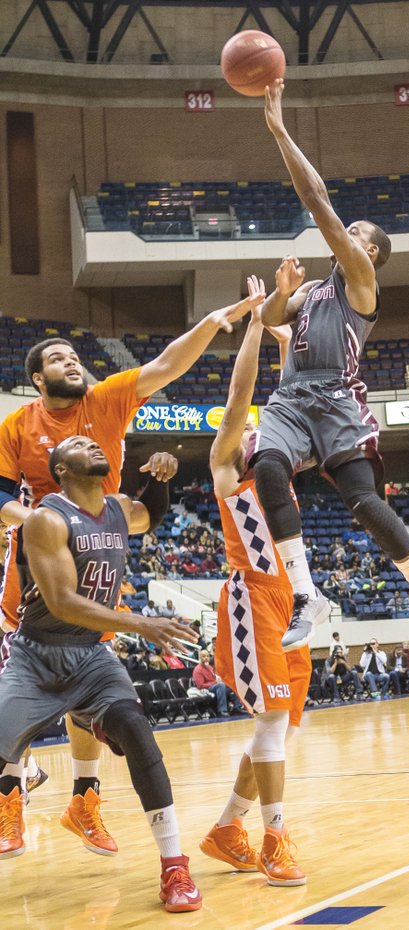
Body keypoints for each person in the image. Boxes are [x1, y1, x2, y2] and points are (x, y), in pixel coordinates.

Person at [0, 290, 260, 850]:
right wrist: (47, 518)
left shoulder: (107, 398)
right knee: (21, 683)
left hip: (100, 547)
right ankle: (11, 799)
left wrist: (212, 324)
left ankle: (84, 797)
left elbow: (167, 364)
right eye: (58, 359)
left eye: (75, 355)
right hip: (37, 558)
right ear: (38, 381)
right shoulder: (18, 424)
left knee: (83, 676)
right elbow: (1, 499)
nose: (72, 362)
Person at [249, 79, 409, 660]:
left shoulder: (361, 285)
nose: (349, 236)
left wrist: (279, 130)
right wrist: (280, 291)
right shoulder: (317, 289)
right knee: (267, 468)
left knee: (365, 506)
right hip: (293, 397)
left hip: (338, 399)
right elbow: (273, 317)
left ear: (369, 254)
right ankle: (306, 596)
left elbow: (318, 201)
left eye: (358, 235)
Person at [0, 437, 202, 911]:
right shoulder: (46, 519)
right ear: (60, 469)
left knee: (135, 728)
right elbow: (63, 601)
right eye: (77, 443)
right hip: (38, 657)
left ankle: (174, 866)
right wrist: (141, 623)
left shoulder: (116, 508)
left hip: (91, 656)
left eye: (92, 441)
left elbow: (148, 516)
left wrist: (159, 481)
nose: (90, 442)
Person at [199, 279, 310, 887]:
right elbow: (242, 396)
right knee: (271, 725)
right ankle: (275, 837)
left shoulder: (278, 465)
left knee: (284, 726)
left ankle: (226, 827)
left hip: (292, 602)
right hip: (252, 598)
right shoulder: (225, 471)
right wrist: (256, 329)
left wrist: (292, 336)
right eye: (244, 430)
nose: (251, 430)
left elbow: (297, 394)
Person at [192, 649, 243, 717]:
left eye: (207, 656)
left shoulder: (210, 667)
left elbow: (214, 680)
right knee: (220, 685)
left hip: (215, 687)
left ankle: (237, 707)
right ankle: (222, 710)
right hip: (205, 690)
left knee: (231, 684)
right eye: (203, 656)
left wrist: (219, 681)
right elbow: (200, 686)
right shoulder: (197, 670)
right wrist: (215, 683)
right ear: (200, 658)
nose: (206, 658)